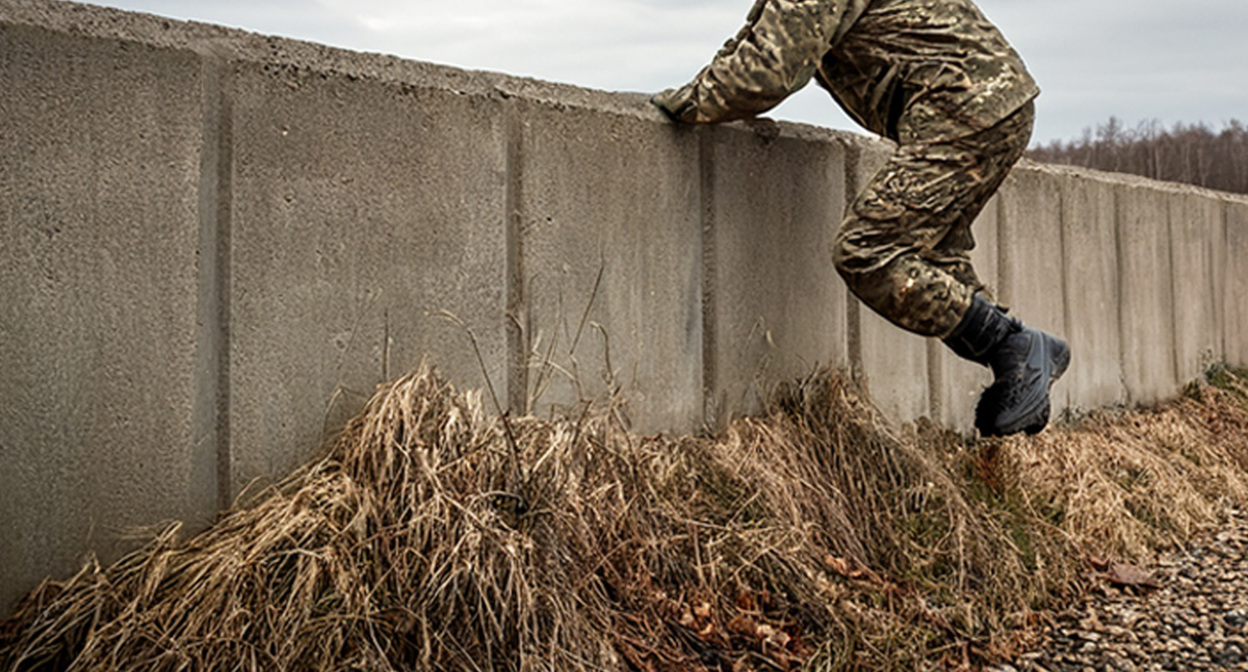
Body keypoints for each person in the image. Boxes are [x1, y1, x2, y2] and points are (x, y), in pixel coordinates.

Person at [653, 0, 1070, 437]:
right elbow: (755, 42)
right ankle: (1023, 369)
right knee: (933, 260)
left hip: (962, 109)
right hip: (991, 105)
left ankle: (1015, 347)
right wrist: (700, 86)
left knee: (867, 251)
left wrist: (679, 105)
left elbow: (766, 73)